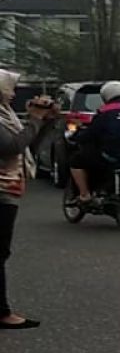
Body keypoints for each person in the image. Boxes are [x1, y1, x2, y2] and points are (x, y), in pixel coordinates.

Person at [0, 71, 56, 330]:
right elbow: (11, 146)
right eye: (10, 88)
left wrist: (45, 122)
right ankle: (1, 313)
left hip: (8, 188)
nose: (14, 93)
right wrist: (34, 119)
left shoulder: (6, 115)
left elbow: (27, 147)